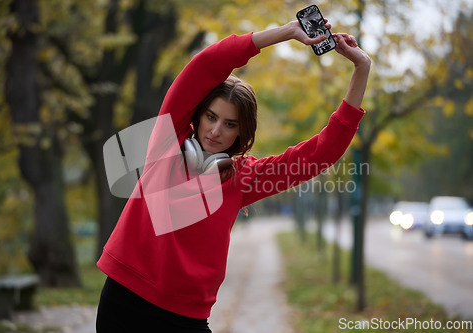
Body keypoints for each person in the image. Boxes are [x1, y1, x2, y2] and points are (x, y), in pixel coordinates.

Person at [96, 18, 371, 333]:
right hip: (123, 300)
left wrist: (361, 68)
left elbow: (320, 153)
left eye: (230, 124)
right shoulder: (166, 139)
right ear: (198, 115)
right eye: (211, 117)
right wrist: (286, 32)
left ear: (242, 132)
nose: (215, 130)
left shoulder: (243, 177)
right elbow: (207, 64)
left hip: (186, 317)